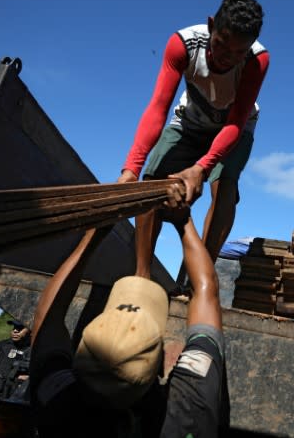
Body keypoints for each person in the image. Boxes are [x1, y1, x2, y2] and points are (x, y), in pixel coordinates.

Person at [30, 182, 226, 437]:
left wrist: (92, 236)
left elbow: (47, 319)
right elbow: (205, 291)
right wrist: (184, 222)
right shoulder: (186, 411)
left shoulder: (57, 403)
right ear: (158, 364)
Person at [118, 0, 269, 283]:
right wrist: (130, 169)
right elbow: (158, 107)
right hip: (190, 120)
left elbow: (236, 121)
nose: (228, 57)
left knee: (224, 187)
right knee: (152, 181)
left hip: (234, 127)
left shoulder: (257, 60)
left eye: (239, 51)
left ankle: (199, 278)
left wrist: (202, 168)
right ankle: (141, 276)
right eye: (222, 44)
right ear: (211, 25)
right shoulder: (184, 44)